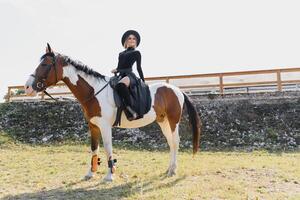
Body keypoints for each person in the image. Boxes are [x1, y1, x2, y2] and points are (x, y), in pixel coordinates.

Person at [111, 30, 145, 120]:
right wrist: (116, 69)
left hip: (129, 75)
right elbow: (119, 66)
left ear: (136, 42)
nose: (132, 40)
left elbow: (139, 68)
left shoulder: (136, 53)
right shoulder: (121, 54)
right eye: (129, 38)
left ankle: (131, 110)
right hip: (121, 75)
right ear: (126, 41)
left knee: (121, 85)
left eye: (134, 39)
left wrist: (143, 80)